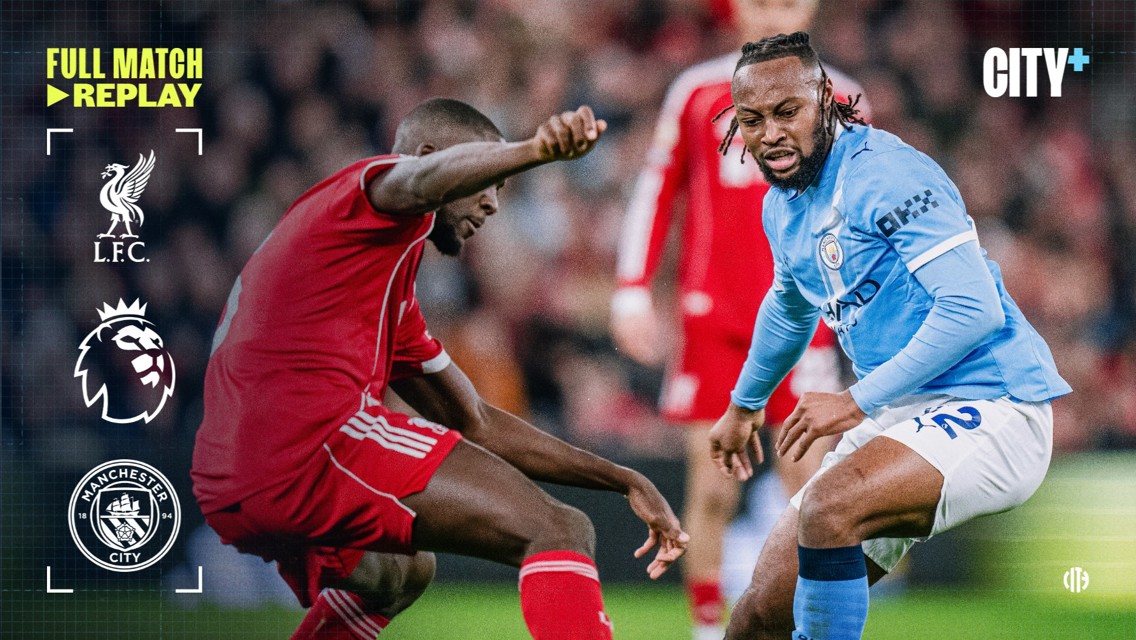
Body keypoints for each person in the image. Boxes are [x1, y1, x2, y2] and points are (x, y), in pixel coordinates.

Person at [191, 98, 688, 640]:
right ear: (429, 156)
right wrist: (531, 151)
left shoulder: (380, 284)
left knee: (399, 571)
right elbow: (419, 178)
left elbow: (474, 419)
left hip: (232, 474)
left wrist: (622, 478)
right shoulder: (367, 188)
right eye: (490, 178)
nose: (495, 203)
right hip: (305, 443)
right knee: (559, 528)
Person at [707, 33, 1071, 640]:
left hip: (996, 403)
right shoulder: (783, 203)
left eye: (786, 112)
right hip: (904, 413)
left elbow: (972, 309)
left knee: (829, 508)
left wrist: (853, 403)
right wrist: (744, 405)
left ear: (825, 98)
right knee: (759, 615)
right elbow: (790, 306)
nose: (769, 133)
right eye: (752, 119)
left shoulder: (889, 174)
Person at [611, 1, 866, 636]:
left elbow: (863, 212)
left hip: (809, 320)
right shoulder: (696, 91)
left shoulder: (844, 95)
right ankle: (706, 628)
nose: (775, 12)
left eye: (788, 0)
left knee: (812, 492)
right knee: (715, 485)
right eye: (761, 0)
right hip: (716, 318)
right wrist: (632, 288)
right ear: (735, 10)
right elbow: (657, 187)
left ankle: (812, 625)